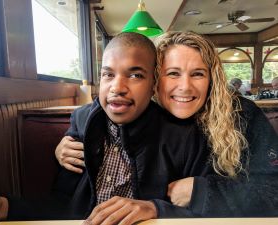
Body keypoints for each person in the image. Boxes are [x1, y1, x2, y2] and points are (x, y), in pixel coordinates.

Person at [0, 32, 201, 225]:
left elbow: (203, 210)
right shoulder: (82, 121)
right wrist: (3, 207)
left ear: (153, 84)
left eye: (135, 75)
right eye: (108, 74)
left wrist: (155, 209)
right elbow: (65, 203)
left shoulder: (183, 135)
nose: (117, 87)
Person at [57, 31, 278, 218]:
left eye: (198, 74)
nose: (185, 87)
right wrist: (65, 146)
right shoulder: (141, 116)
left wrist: (201, 191)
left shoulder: (241, 115)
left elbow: (272, 193)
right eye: (172, 73)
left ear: (212, 80)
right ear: (154, 79)